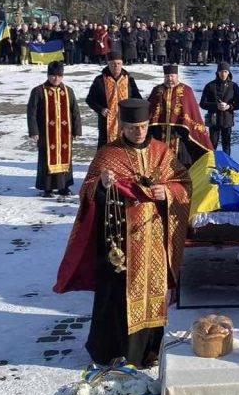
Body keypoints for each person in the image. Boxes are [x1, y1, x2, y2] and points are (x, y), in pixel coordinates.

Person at [54, 99, 191, 367]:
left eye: (142, 126)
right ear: (122, 127)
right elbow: (87, 192)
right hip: (118, 243)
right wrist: (103, 185)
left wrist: (169, 193)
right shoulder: (108, 154)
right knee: (117, 297)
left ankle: (149, 351)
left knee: (153, 291)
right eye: (132, 127)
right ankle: (114, 352)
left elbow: (183, 183)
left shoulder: (162, 152)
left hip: (152, 238)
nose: (138, 132)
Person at [27, 61, 83, 197]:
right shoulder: (38, 91)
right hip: (46, 134)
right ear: (48, 75)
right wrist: (34, 131)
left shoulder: (68, 91)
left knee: (65, 158)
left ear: (62, 76)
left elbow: (75, 111)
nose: (55, 78)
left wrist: (77, 130)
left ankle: (64, 187)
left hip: (65, 133)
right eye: (52, 75)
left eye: (58, 76)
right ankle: (47, 188)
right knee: (46, 159)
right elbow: (31, 113)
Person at [147, 64, 213, 167]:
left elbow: (193, 113)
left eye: (172, 75)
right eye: (167, 76)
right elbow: (150, 110)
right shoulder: (157, 90)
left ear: (177, 76)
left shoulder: (187, 90)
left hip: (179, 136)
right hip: (160, 134)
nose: (169, 78)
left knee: (181, 164)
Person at [85, 51, 142, 147]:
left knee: (126, 145)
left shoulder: (129, 80)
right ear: (108, 64)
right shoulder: (100, 80)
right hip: (106, 121)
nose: (116, 66)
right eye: (113, 64)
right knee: (105, 147)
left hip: (125, 121)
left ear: (122, 64)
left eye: (118, 63)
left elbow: (137, 98)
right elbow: (90, 99)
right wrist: (101, 109)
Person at [199, 62, 239, 155]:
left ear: (228, 73)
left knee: (226, 145)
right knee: (212, 144)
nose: (223, 74)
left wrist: (229, 106)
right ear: (217, 72)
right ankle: (211, 164)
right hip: (214, 120)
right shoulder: (210, 86)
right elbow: (202, 104)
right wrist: (216, 106)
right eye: (221, 72)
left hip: (227, 120)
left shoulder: (233, 86)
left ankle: (226, 165)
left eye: (225, 71)